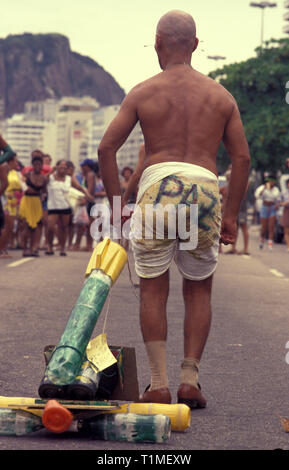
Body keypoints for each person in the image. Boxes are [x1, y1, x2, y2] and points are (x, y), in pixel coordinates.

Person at [98, 10, 250, 408]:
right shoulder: (221, 96)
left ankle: (159, 383)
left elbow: (106, 149)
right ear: (196, 45)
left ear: (158, 43)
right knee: (199, 289)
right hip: (203, 188)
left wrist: (117, 206)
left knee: (153, 289)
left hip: (157, 189)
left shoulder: (143, 92)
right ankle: (189, 381)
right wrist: (230, 215)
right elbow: (242, 158)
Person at [46, 159, 92, 256]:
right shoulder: (50, 177)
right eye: (61, 166)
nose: (63, 169)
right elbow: (43, 181)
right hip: (53, 206)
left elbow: (79, 187)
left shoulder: (69, 178)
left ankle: (63, 248)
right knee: (50, 227)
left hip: (65, 206)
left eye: (65, 167)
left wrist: (87, 195)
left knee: (64, 228)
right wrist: (51, 171)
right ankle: (49, 246)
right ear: (56, 167)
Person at [19, 154, 47, 256]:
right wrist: (25, 188)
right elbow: (20, 185)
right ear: (32, 164)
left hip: (37, 202)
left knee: (36, 227)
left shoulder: (43, 178)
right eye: (35, 164)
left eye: (39, 164)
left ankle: (33, 248)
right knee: (26, 226)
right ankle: (25, 249)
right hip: (27, 201)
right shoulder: (27, 175)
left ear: (42, 165)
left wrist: (44, 201)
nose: (37, 166)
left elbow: (44, 192)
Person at [257, 175, 280, 251]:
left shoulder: (276, 190)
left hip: (272, 207)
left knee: (271, 227)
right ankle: (261, 242)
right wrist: (264, 189)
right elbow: (258, 196)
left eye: (272, 181)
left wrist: (277, 205)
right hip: (264, 207)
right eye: (269, 181)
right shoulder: (263, 188)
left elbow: (277, 199)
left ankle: (270, 244)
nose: (271, 182)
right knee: (264, 227)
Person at [280, 178, 289, 251]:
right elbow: (279, 203)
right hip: (286, 211)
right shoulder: (284, 193)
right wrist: (284, 203)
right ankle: (288, 246)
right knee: (286, 230)